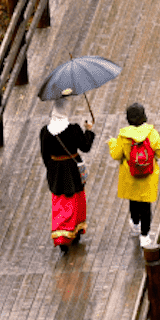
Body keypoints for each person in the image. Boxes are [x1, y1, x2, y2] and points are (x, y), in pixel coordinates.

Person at [39, 91, 95, 254]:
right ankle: (75, 231)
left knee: (60, 202)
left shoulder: (45, 131)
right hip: (72, 168)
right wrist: (89, 131)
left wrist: (52, 170)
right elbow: (85, 147)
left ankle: (62, 235)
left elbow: (44, 155)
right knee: (76, 198)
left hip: (56, 170)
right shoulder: (73, 129)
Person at [108, 102, 160, 248]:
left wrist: (112, 143)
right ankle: (145, 236)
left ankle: (135, 223)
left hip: (130, 174)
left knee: (133, 200)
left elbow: (116, 155)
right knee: (146, 205)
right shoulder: (151, 133)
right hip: (148, 174)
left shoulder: (123, 136)